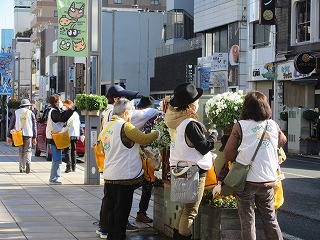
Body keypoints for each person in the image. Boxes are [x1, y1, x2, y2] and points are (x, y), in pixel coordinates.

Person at [223, 91, 287, 240]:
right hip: (269, 180)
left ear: (246, 108)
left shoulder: (240, 126)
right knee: (270, 219)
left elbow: (228, 154)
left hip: (247, 181)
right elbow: (282, 140)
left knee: (247, 220)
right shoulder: (272, 124)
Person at [97, 86, 158, 238]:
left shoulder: (107, 126)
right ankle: (118, 236)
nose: (131, 117)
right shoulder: (125, 126)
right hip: (124, 176)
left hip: (110, 175)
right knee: (121, 211)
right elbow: (144, 138)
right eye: (130, 114)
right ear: (125, 113)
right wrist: (157, 133)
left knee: (111, 210)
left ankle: (112, 235)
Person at [164, 83, 217, 240]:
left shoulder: (177, 123)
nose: (198, 103)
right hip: (193, 172)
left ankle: (177, 236)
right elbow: (203, 147)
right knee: (190, 211)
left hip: (180, 170)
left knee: (184, 208)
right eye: (196, 100)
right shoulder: (190, 124)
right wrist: (214, 135)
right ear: (191, 104)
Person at [135, 96, 159, 223]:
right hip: (143, 155)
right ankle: (141, 212)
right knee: (146, 183)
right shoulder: (143, 117)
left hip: (143, 155)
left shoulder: (145, 117)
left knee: (146, 184)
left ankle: (141, 212)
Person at [46, 94, 75, 184]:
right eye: (59, 100)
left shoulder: (55, 110)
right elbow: (62, 118)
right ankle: (54, 178)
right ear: (55, 102)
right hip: (54, 138)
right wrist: (71, 109)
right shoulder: (54, 111)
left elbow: (63, 116)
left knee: (57, 159)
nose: (61, 102)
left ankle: (54, 177)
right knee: (57, 159)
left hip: (55, 137)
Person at [7, 99, 37, 174]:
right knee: (28, 150)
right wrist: (35, 137)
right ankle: (28, 162)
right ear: (27, 106)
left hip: (18, 134)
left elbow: (11, 124)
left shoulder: (16, 112)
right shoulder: (31, 113)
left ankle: (21, 168)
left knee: (21, 151)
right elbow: (34, 126)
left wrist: (9, 136)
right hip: (28, 134)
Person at [63, 99, 84, 173]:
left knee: (67, 150)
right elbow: (79, 125)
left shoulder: (67, 113)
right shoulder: (76, 114)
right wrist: (81, 134)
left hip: (67, 134)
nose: (64, 107)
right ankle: (74, 167)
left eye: (65, 106)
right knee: (74, 151)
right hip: (75, 134)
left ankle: (68, 167)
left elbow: (64, 123)